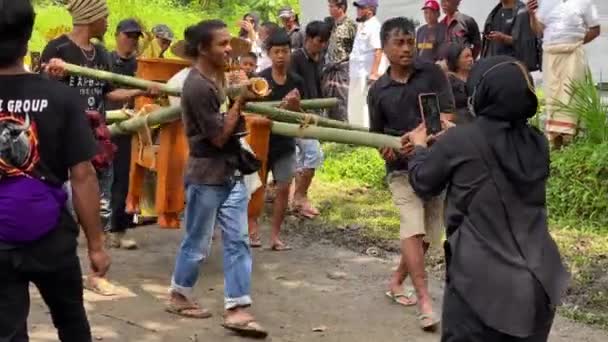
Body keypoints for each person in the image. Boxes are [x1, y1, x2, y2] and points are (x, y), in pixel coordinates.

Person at [405, 55, 570, 342]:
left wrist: (420, 149)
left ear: (482, 94)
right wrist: (455, 138)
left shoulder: (461, 143)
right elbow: (492, 143)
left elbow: (423, 182)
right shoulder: (538, 143)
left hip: (480, 287)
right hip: (539, 283)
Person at [0, 1, 110, 340]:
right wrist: (96, 244)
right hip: (51, 237)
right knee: (72, 323)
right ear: (29, 35)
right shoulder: (60, 98)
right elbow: (83, 176)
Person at [41, 0, 152, 296]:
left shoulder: (101, 53)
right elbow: (42, 92)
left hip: (96, 138)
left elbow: (109, 92)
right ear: (90, 17)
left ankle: (96, 272)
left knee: (100, 205)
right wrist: (52, 77)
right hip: (64, 139)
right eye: (104, 16)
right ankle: (59, 271)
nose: (107, 22)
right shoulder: (58, 49)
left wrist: (141, 89)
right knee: (62, 208)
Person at [166, 19, 268, 338]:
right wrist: (240, 102)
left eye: (229, 43)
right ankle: (179, 294)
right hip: (207, 174)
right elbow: (220, 137)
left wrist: (239, 92)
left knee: (237, 240)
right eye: (222, 44)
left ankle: (237, 307)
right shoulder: (197, 86)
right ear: (202, 49)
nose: (229, 48)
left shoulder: (217, 77)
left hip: (230, 173)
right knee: (197, 242)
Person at [368, 16, 455, 332]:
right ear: (386, 47)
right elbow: (376, 135)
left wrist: (420, 137)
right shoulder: (378, 90)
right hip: (400, 172)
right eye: (399, 43)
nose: (406, 49)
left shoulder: (432, 73)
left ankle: (395, 282)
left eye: (410, 42)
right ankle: (424, 302)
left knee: (429, 238)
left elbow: (446, 115)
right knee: (413, 229)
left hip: (434, 167)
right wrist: (389, 148)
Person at [249, 29, 305, 250]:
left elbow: (305, 117)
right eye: (276, 52)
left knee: (283, 188)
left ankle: (274, 236)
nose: (281, 56)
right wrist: (278, 109)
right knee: (256, 188)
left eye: (285, 51)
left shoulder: (296, 81)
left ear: (290, 53)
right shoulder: (260, 79)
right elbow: (251, 111)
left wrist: (295, 107)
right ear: (269, 54)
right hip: (261, 142)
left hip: (285, 143)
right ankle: (252, 230)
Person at [527, 0, 601, 148]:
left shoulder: (585, 2)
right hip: (550, 55)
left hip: (573, 55)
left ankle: (570, 139)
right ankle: (555, 142)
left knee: (571, 95)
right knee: (553, 97)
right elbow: (539, 30)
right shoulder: (546, 3)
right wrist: (531, 15)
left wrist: (576, 41)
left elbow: (595, 29)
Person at [106, 18, 143, 250]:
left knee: (124, 180)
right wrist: (138, 89)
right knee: (99, 179)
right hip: (105, 125)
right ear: (117, 35)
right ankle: (99, 229)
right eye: (128, 35)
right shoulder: (105, 61)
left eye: (135, 37)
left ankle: (118, 230)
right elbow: (109, 93)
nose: (131, 40)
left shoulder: (141, 65)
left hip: (131, 129)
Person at [290, 21, 331, 219]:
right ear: (308, 39)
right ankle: (300, 197)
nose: (322, 45)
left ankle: (297, 199)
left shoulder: (317, 58)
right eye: (319, 41)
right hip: (298, 114)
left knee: (301, 157)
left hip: (311, 114)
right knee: (314, 154)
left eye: (325, 42)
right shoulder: (296, 58)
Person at [349, 0, 384, 128]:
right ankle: (355, 131)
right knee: (355, 104)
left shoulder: (374, 26)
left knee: (364, 105)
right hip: (356, 73)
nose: (357, 10)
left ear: (370, 10)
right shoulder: (362, 25)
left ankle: (364, 133)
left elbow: (378, 50)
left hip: (366, 73)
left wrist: (374, 73)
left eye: (361, 7)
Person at [481, 0, 542, 72]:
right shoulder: (494, 14)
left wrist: (503, 38)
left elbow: (525, 44)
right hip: (496, 67)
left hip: (515, 68)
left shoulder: (523, 13)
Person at [323, 0, 357, 122]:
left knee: (342, 99)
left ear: (341, 7)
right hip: (329, 68)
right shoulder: (331, 24)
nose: (330, 9)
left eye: (332, 6)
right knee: (328, 98)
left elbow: (356, 47)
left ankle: (344, 129)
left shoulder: (350, 25)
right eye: (329, 6)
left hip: (343, 68)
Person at [444, 43, 474, 123]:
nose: (471, 59)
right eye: (466, 56)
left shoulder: (476, 76)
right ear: (456, 60)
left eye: (471, 56)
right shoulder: (448, 81)